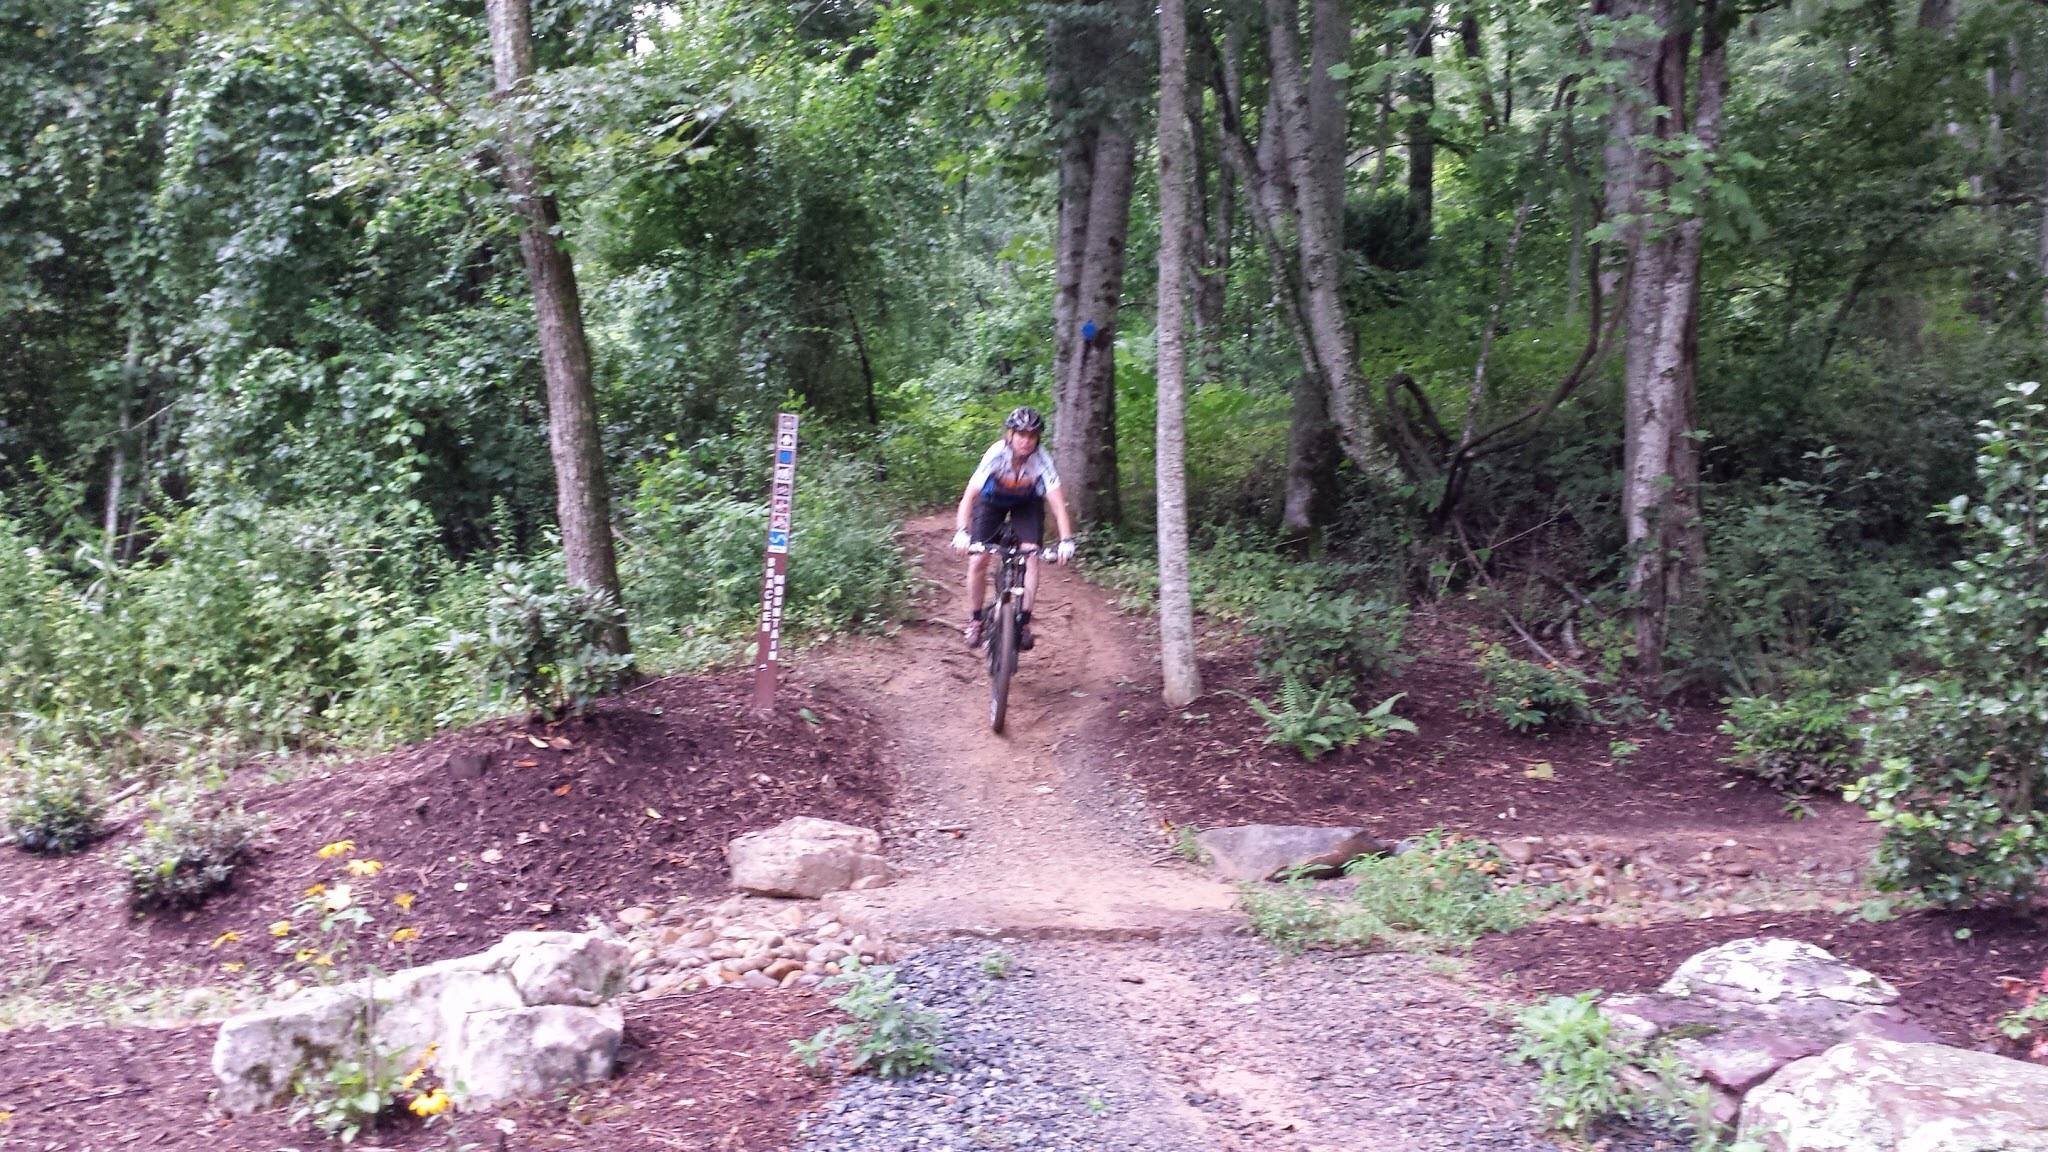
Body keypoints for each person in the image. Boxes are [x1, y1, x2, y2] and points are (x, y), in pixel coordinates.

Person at [951, 406, 1076, 650]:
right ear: (1010, 435)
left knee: (1031, 556)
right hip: (991, 502)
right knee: (978, 559)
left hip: (1026, 504)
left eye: (1032, 436)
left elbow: (1058, 504)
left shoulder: (1042, 459)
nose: (1026, 441)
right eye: (1021, 435)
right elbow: (968, 498)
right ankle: (976, 620)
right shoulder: (995, 454)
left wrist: (1066, 540)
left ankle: (1025, 621)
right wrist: (961, 532)